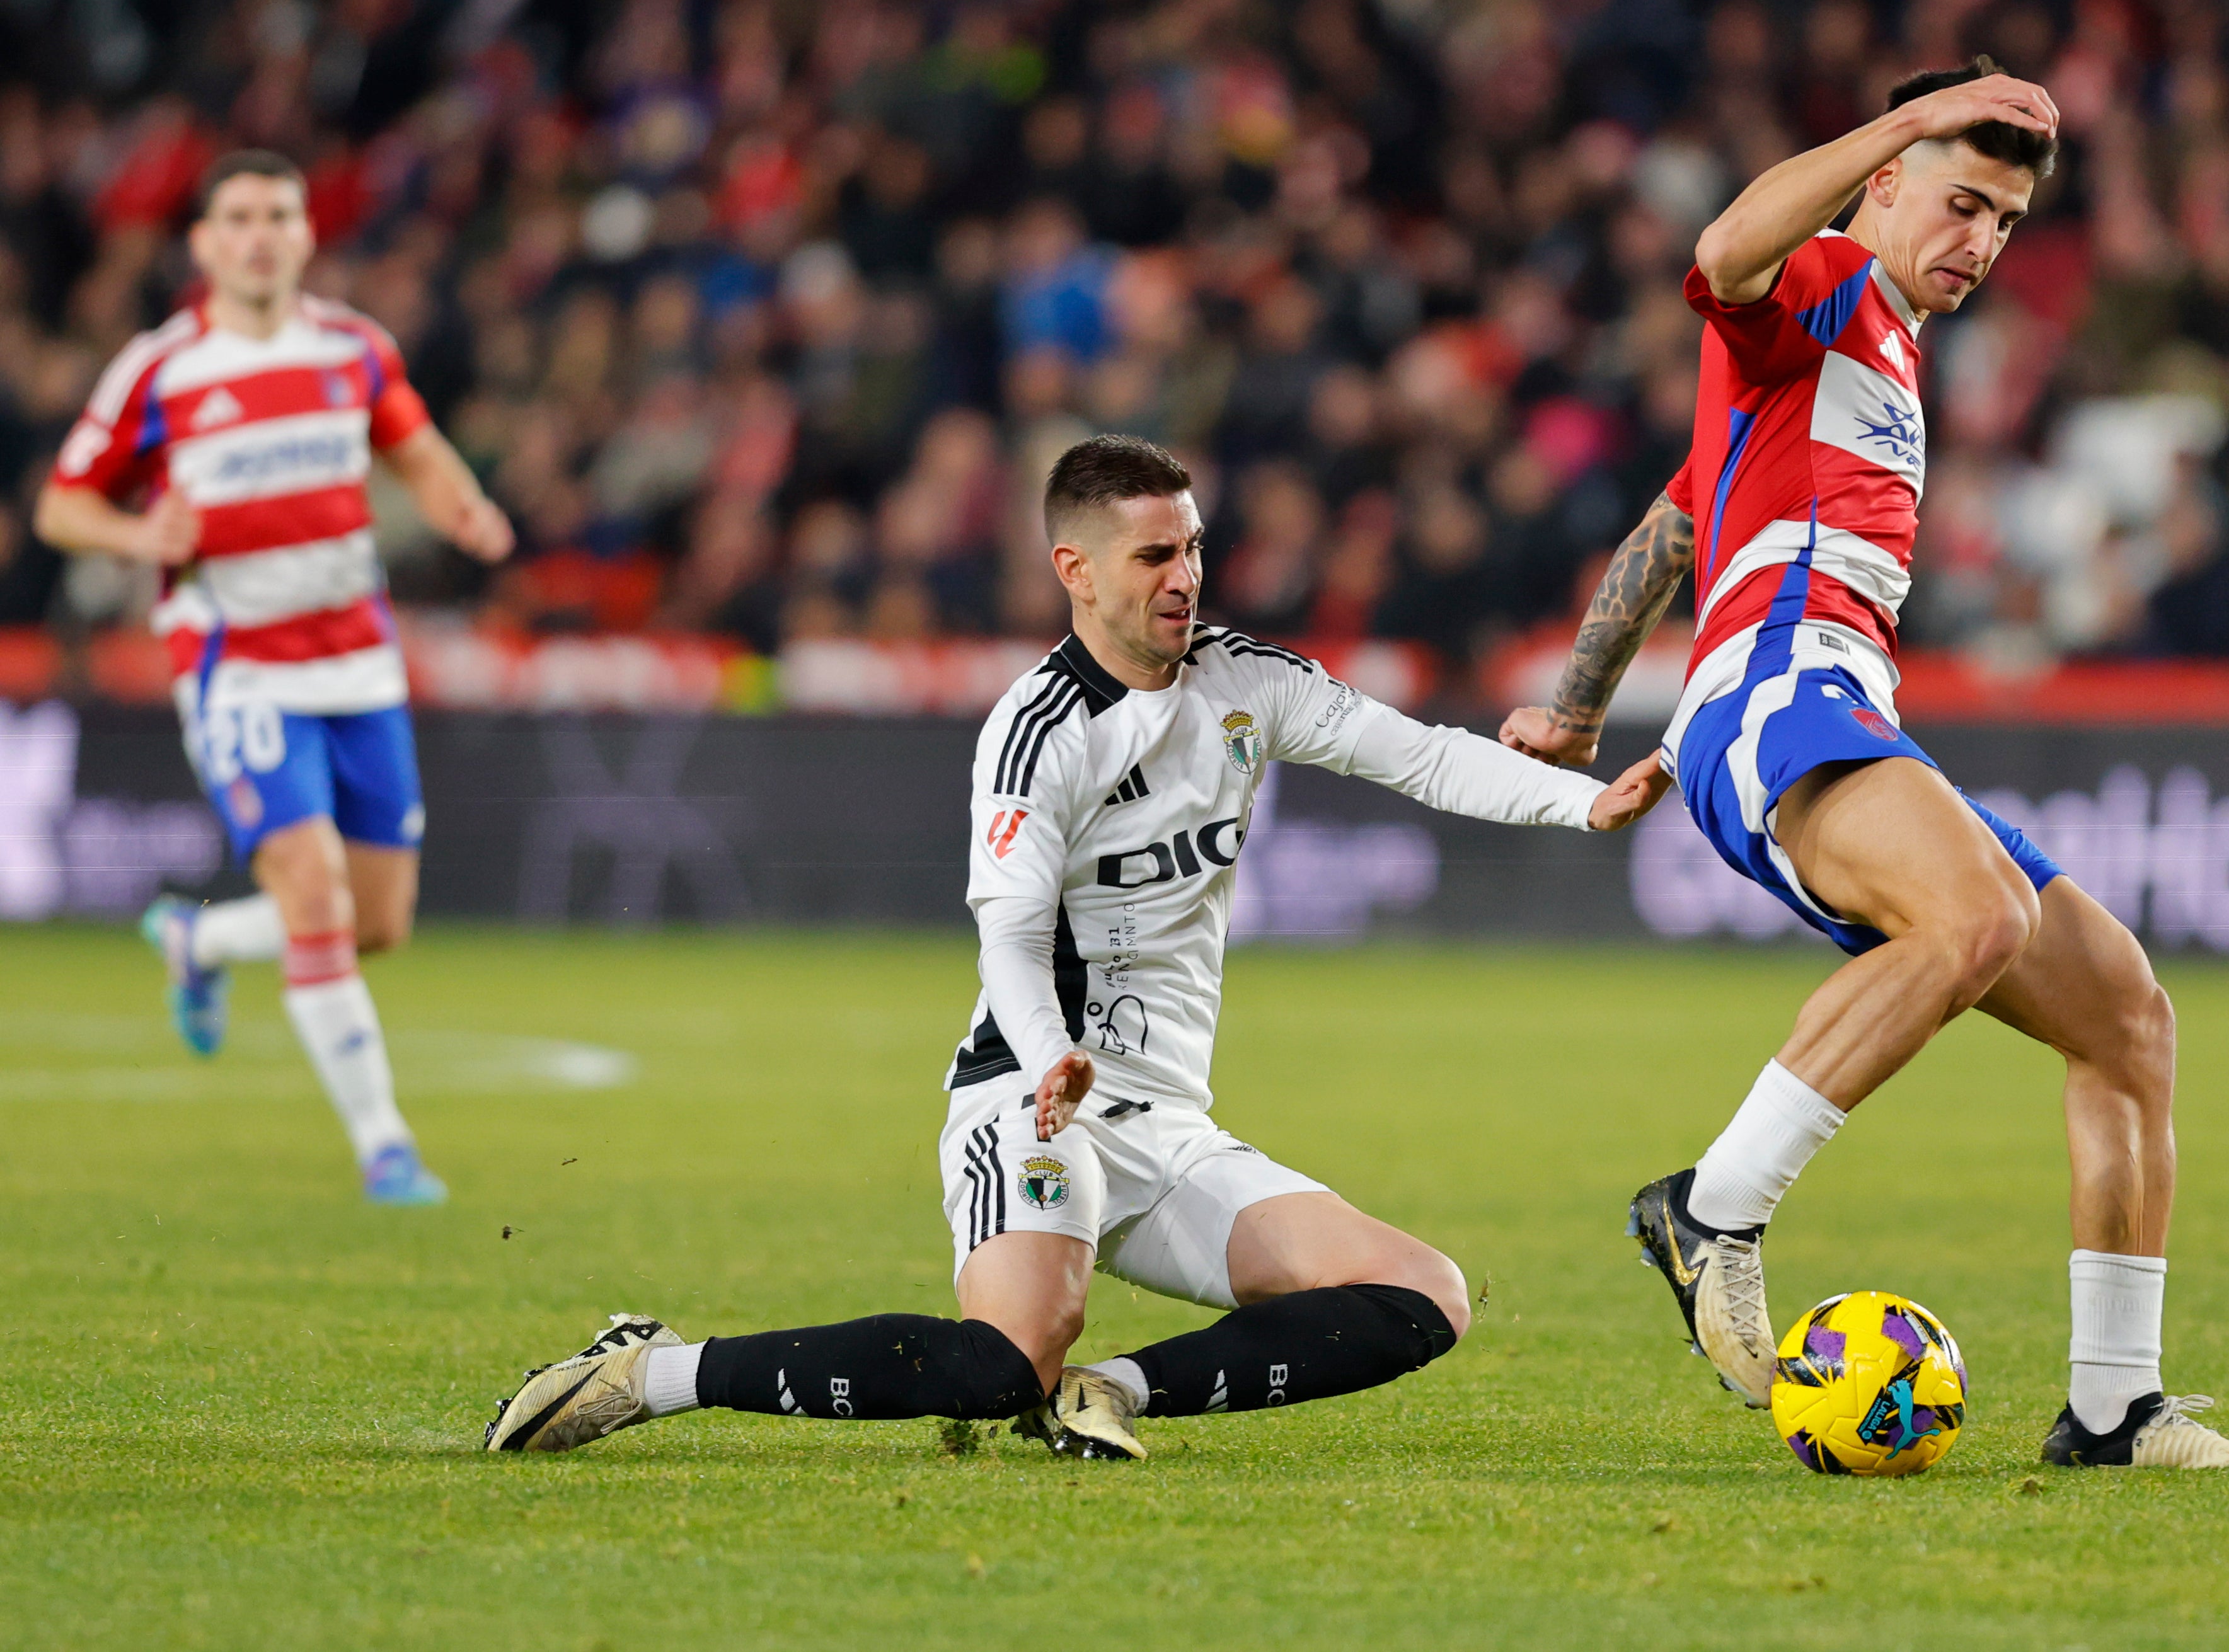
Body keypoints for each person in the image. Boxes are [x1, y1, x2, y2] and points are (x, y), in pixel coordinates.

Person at [485, 434, 1659, 1458]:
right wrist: (1048, 1057)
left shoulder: (1247, 681)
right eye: (1155, 557)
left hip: (1167, 1124)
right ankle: (650, 1371)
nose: (1185, 577)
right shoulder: (1038, 731)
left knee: (1423, 1294)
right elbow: (1004, 930)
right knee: (1002, 1364)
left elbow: (1419, 754)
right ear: (1075, 571)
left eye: (1193, 549)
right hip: (1029, 1099)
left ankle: (1116, 1394)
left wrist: (1583, 804)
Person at [1500, 61, 2229, 1471]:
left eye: (2001, 220)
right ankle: (1715, 1207)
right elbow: (1717, 253)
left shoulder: (1864, 360)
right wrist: (1906, 121)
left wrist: (1574, 708)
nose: (1979, 243)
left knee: (2124, 1019)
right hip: (1776, 691)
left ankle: (2114, 1408)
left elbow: (1681, 512)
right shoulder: (1823, 278)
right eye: (1957, 201)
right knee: (1975, 915)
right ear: (1882, 182)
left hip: (1816, 699)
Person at [34, 151, 513, 1205]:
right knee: (313, 890)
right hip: (237, 664)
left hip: (357, 661)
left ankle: (197, 938)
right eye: (239, 217)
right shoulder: (160, 371)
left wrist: (463, 506)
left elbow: (418, 448)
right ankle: (386, 1147)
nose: (260, 234)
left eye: (279, 216)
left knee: (379, 921)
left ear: (305, 235)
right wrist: (132, 530)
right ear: (204, 243)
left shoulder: (352, 348)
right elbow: (61, 506)